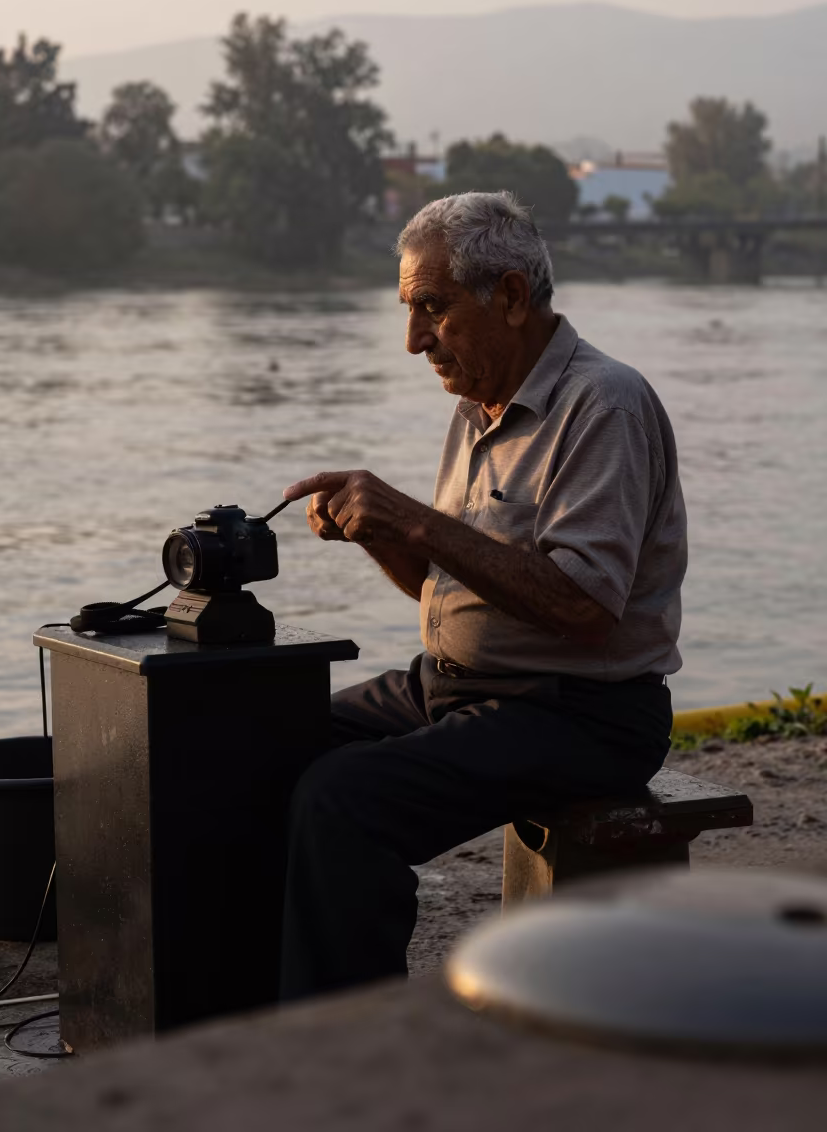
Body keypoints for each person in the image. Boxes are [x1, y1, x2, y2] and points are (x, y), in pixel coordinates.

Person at [279, 191, 687, 1001]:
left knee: (343, 800)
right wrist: (383, 533)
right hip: (457, 687)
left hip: (582, 713)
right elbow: (449, 587)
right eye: (410, 310)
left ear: (507, 296)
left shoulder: (603, 404)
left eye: (432, 308)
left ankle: (343, 1046)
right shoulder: (477, 400)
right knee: (259, 737)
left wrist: (418, 522)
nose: (414, 339)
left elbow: (583, 609)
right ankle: (251, 993)